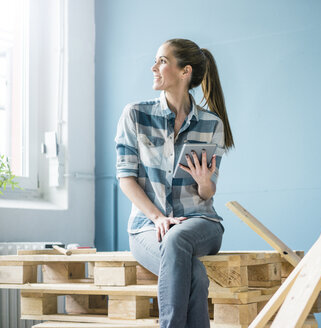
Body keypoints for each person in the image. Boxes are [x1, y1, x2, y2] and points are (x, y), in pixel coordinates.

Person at [114, 38, 234, 328]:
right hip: (146, 229)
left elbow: (207, 193)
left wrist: (205, 182)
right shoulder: (136, 115)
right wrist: (157, 218)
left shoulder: (211, 125)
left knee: (177, 237)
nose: (153, 67)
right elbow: (125, 179)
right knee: (195, 275)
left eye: (162, 61)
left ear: (185, 72)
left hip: (200, 223)